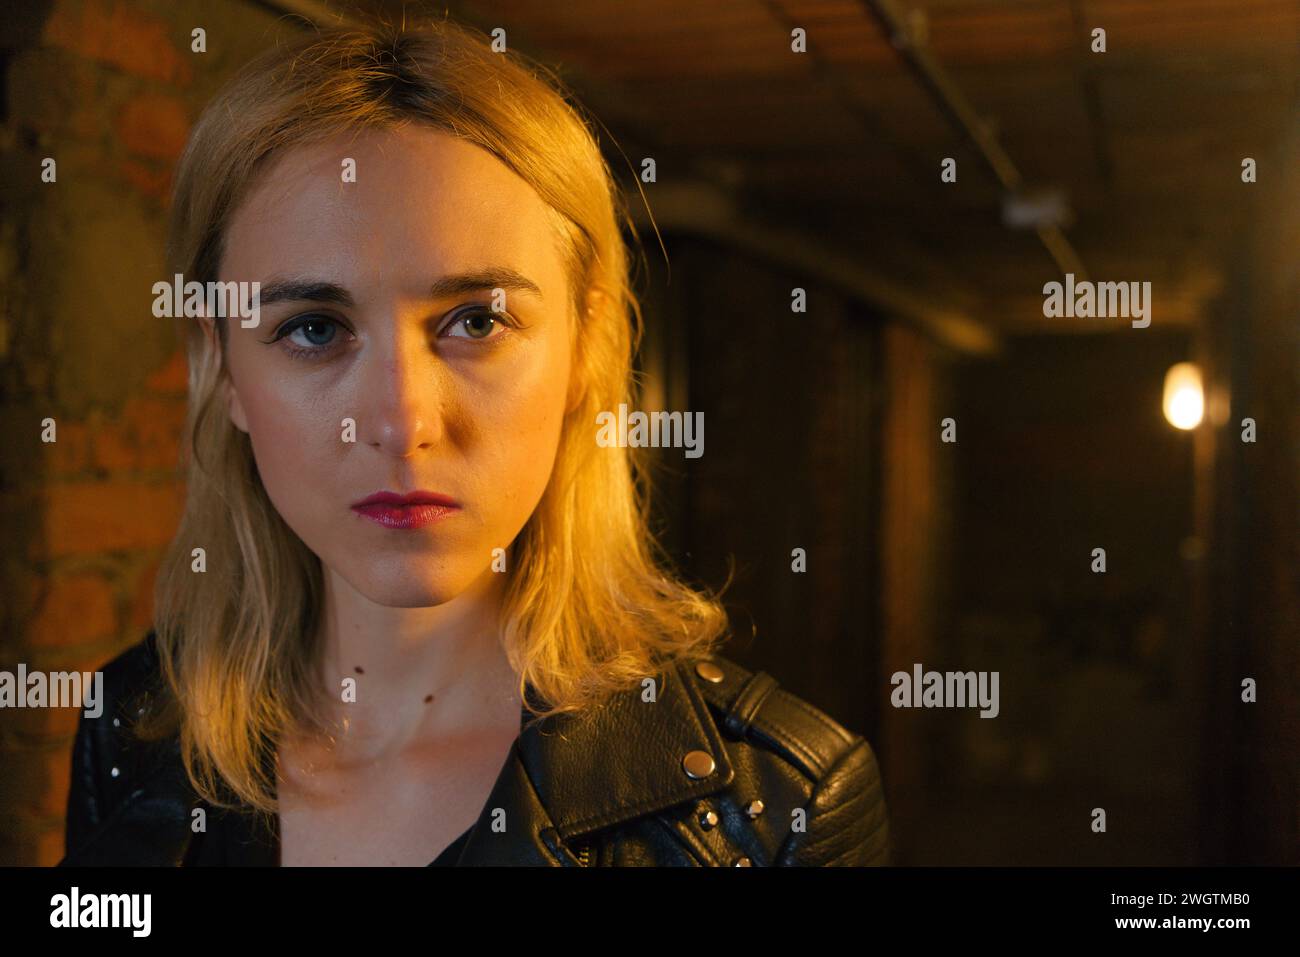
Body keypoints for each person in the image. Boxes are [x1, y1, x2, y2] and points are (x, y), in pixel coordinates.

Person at [58, 18, 890, 867]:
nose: (401, 422)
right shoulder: (138, 726)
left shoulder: (776, 809)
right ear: (220, 367)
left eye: (477, 320)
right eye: (314, 328)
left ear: (586, 347)